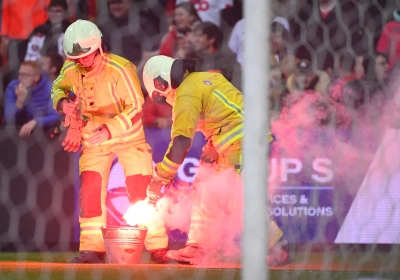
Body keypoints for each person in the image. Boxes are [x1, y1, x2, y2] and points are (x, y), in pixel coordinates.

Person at [142, 55, 290, 266]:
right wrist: (213, 144)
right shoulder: (204, 78)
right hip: (244, 141)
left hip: (243, 144)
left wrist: (159, 179)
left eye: (159, 94)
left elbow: (181, 143)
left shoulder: (186, 94)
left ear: (161, 83)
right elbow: (228, 110)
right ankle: (197, 248)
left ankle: (279, 248)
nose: (164, 99)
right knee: (206, 190)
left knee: (236, 199)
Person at [51, 20, 170, 264]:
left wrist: (110, 129)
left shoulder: (120, 68)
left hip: (128, 138)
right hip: (93, 139)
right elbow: (57, 87)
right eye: (77, 58)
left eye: (87, 56)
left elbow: (137, 106)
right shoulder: (70, 68)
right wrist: (63, 103)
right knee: (91, 192)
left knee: (141, 189)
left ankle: (158, 248)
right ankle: (92, 250)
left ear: (99, 48)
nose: (82, 62)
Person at [96, 0, 160, 71]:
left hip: (138, 72)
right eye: (113, 3)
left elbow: (151, 54)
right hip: (110, 73)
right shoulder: (103, 26)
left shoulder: (143, 24)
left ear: (129, 3)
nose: (116, 6)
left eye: (120, 2)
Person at [4, 61, 60, 138]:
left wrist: (36, 122)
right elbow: (8, 119)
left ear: (36, 77)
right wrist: (20, 101)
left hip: (44, 134)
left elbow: (56, 116)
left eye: (24, 75)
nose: (20, 78)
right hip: (17, 133)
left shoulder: (50, 88)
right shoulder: (13, 86)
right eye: (19, 74)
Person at [191, 21, 242, 90]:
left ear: (211, 39)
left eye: (199, 36)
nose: (195, 40)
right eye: (194, 36)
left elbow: (238, 86)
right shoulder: (193, 61)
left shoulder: (227, 61)